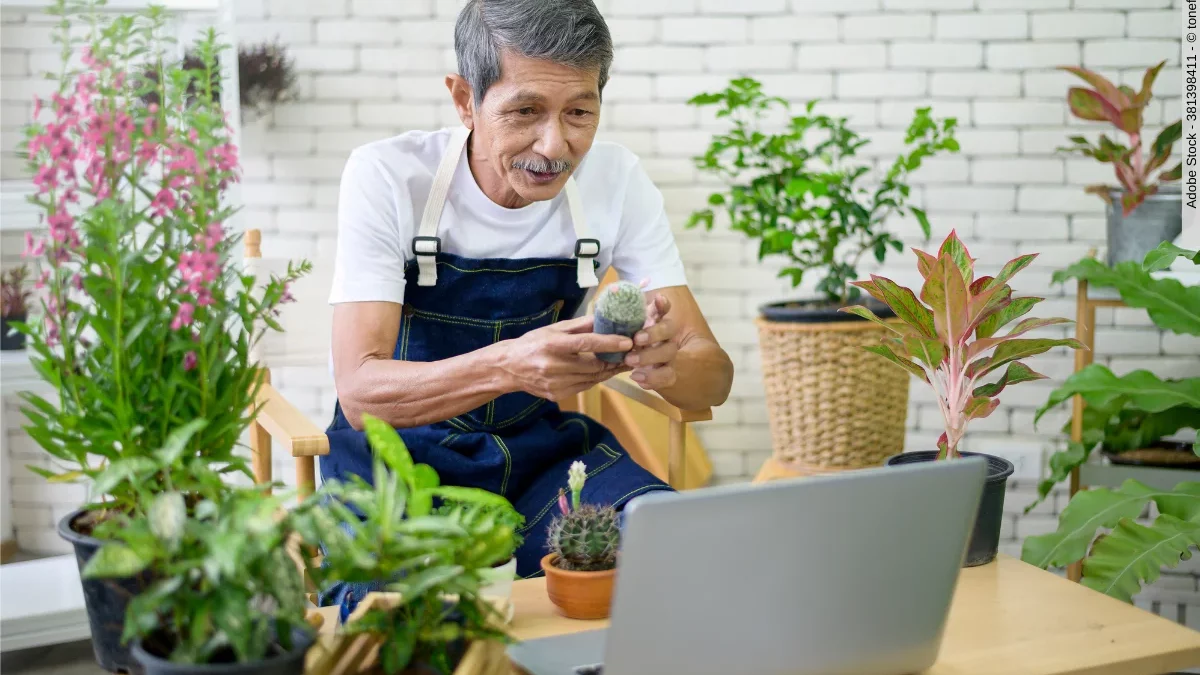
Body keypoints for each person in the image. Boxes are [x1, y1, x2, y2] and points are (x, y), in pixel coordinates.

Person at [320, 0, 734, 610]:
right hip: (394, 467)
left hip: (536, 455)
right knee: (400, 613)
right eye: (525, 111)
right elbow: (359, 393)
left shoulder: (616, 182)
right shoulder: (388, 177)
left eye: (580, 112)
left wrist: (667, 364)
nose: (556, 144)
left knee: (680, 546)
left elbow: (713, 380)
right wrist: (511, 365)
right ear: (465, 99)